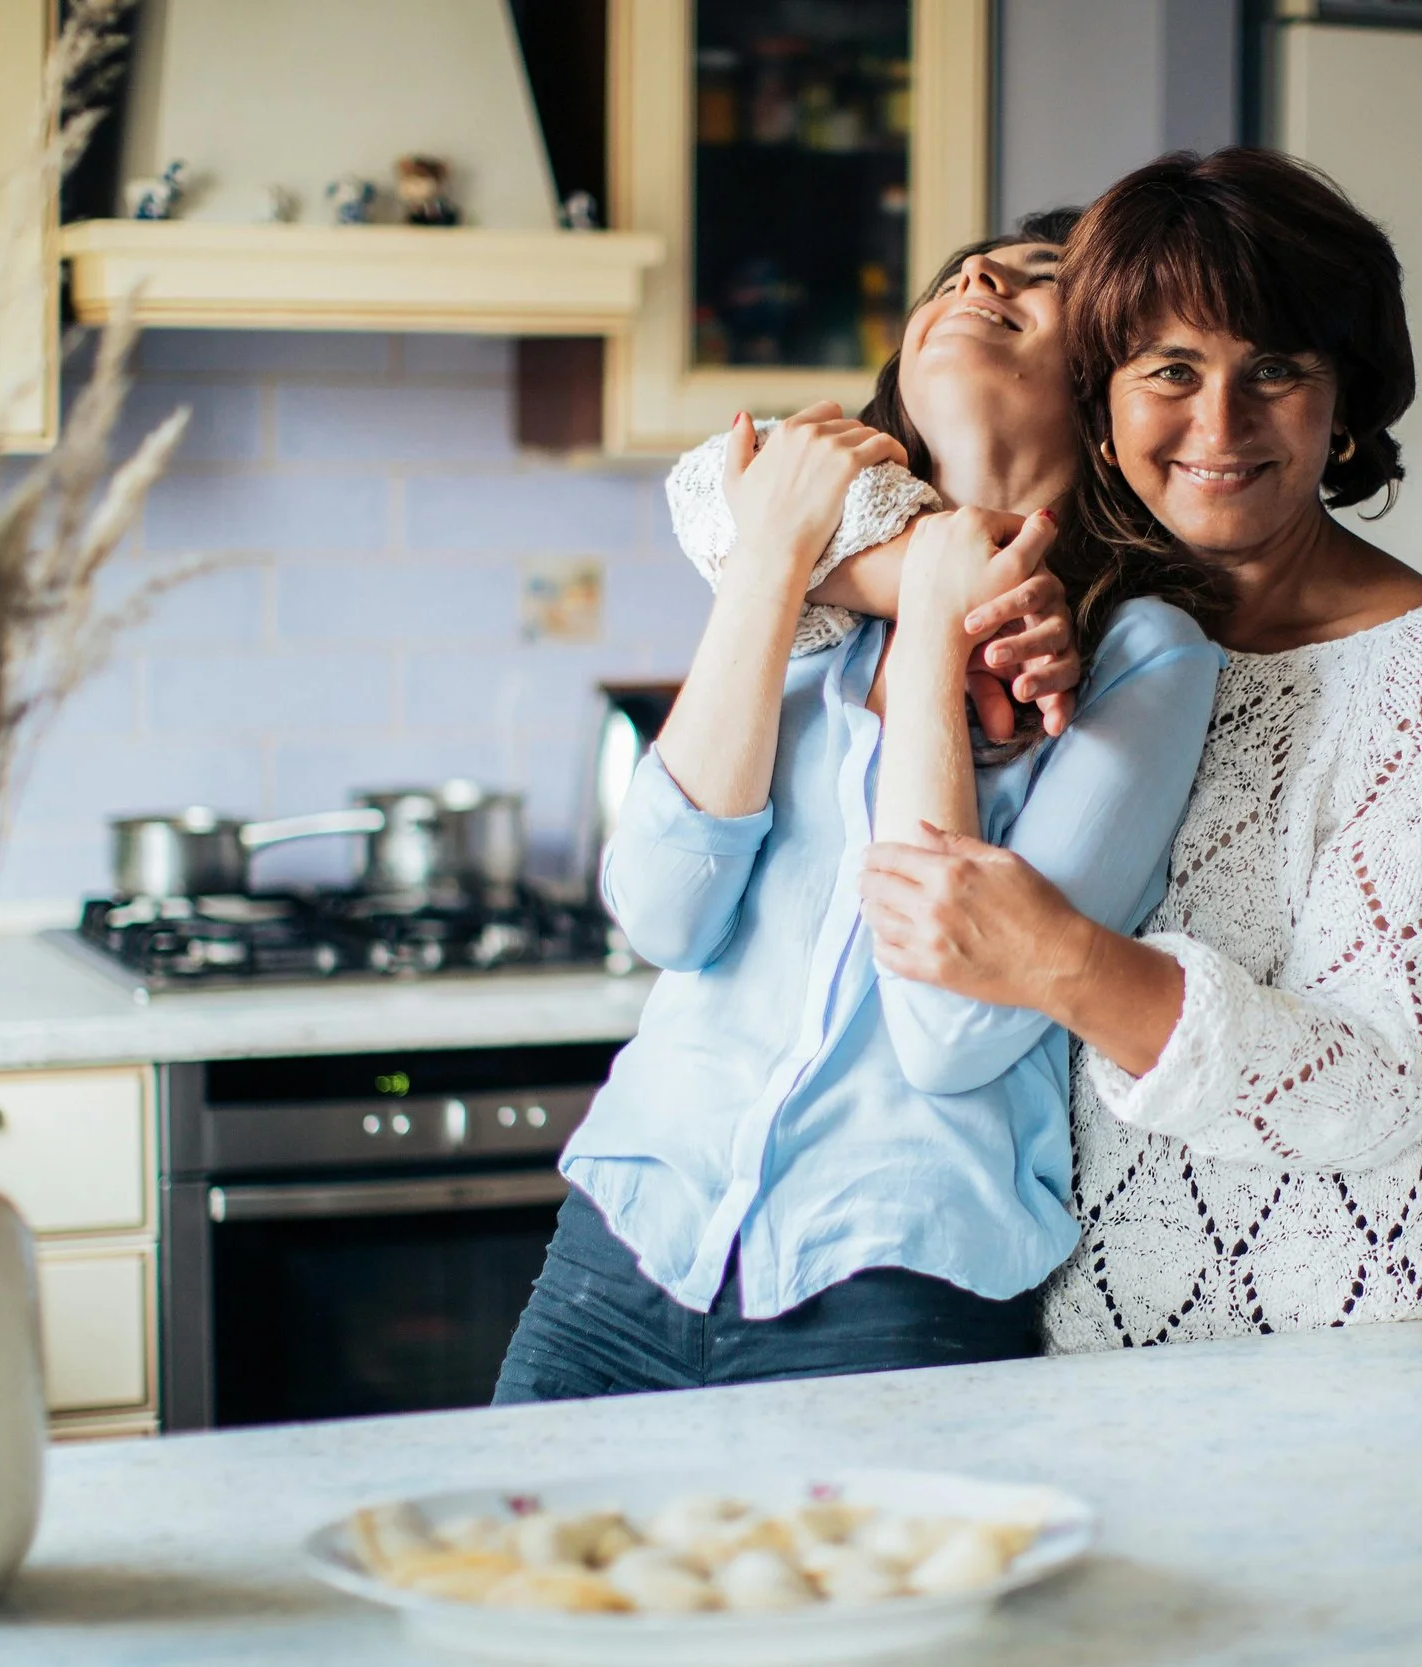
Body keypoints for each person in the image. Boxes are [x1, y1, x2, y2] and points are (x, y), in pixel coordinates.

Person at [492, 215, 1224, 1400]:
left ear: (1102, 399)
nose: (980, 276)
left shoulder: (1140, 659)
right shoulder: (822, 610)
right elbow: (663, 913)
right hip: (621, 1250)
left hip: (896, 1291)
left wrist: (939, 617)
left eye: (1040, 286)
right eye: (966, 272)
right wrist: (775, 561)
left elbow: (951, 1032)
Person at [841, 149, 1422, 1348]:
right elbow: (727, 500)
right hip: (1089, 1336)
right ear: (1098, 401)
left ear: (1342, 405)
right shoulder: (1072, 617)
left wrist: (1063, 960)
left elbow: (1379, 1081)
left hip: (1374, 1332)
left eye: (1274, 369)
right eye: (1171, 368)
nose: (1219, 424)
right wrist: (890, 571)